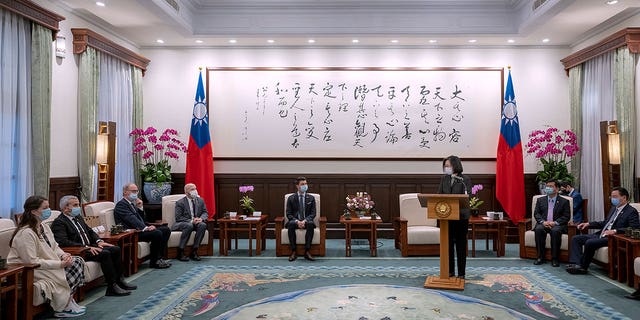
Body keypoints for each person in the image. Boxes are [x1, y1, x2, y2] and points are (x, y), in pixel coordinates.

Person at [7, 196, 86, 318]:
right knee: (72, 266)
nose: (48, 210)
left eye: (48, 207)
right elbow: (31, 261)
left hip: (46, 264)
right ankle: (63, 305)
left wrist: (64, 255)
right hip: (31, 270)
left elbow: (54, 247)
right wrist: (60, 264)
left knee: (77, 261)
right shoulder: (26, 232)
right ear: (33, 211)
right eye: (45, 208)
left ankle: (67, 301)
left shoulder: (44, 227)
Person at [51, 195, 137, 296]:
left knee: (115, 249)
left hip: (90, 246)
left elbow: (90, 231)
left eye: (78, 204)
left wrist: (99, 241)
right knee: (105, 253)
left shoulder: (78, 217)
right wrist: (86, 247)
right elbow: (63, 242)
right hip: (80, 251)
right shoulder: (59, 222)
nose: (78, 207)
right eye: (75, 205)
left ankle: (119, 281)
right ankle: (111, 287)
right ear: (65, 208)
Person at [567, 187, 640, 275]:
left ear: (624, 198)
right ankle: (576, 264)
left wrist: (615, 231)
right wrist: (588, 224)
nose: (613, 199)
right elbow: (605, 223)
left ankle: (583, 267)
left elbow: (634, 228)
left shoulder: (631, 211)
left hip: (612, 238)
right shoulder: (614, 208)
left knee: (590, 242)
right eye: (611, 197)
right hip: (601, 234)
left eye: (615, 196)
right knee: (576, 238)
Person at [114, 183, 172, 269]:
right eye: (133, 191)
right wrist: (145, 228)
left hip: (139, 230)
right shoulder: (121, 205)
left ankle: (159, 257)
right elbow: (131, 219)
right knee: (157, 233)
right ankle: (154, 261)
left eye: (137, 191)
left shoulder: (131, 204)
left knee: (166, 230)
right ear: (125, 192)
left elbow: (142, 220)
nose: (136, 193)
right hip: (131, 233)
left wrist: (140, 207)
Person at [437, 155, 471, 279]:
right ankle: (449, 271)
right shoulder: (444, 179)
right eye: (445, 166)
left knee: (461, 246)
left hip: (461, 217)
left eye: (448, 166)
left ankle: (461, 273)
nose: (446, 168)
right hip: (446, 218)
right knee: (448, 245)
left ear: (455, 165)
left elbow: (468, 198)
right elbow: (439, 196)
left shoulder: (464, 179)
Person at [533, 179, 571, 267]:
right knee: (538, 229)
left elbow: (566, 216)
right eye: (547, 186)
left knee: (555, 231)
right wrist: (543, 222)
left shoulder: (564, 201)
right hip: (544, 223)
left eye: (551, 186)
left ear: (557, 189)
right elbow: (536, 213)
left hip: (557, 225)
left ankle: (555, 258)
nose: (548, 188)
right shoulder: (540, 200)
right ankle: (540, 257)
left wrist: (555, 223)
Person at [173, 183, 209, 261]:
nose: (195, 191)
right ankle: (181, 251)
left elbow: (205, 212)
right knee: (189, 225)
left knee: (202, 225)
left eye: (195, 188)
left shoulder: (200, 200)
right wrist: (191, 221)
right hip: (183, 223)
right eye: (192, 189)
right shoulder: (180, 203)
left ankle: (195, 251)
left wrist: (201, 219)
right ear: (186, 192)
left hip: (196, 222)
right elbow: (178, 218)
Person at [285, 176, 316, 262]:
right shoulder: (291, 198)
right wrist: (297, 221)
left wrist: (305, 221)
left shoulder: (311, 198)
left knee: (310, 224)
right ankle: (294, 251)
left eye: (306, 184)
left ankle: (307, 251)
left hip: (307, 221)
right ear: (297, 186)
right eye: (302, 184)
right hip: (295, 221)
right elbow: (288, 214)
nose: (305, 186)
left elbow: (313, 214)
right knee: (291, 224)